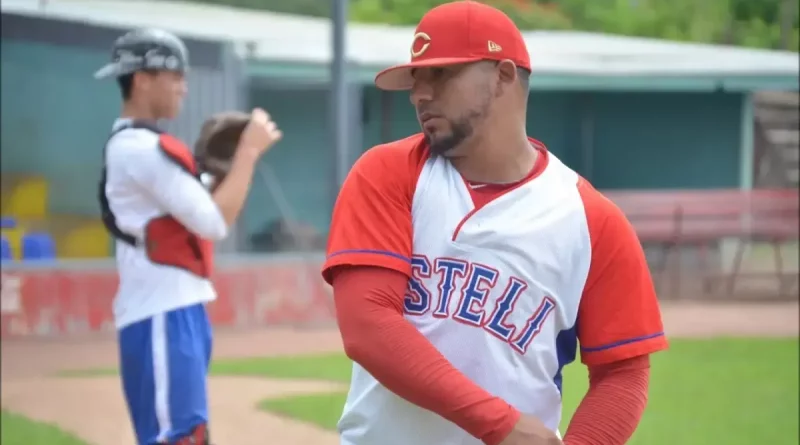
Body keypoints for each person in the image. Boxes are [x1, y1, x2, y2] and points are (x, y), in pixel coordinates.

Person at [322, 2, 668, 445]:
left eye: (440, 75)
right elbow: (367, 325)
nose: (419, 94)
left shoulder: (591, 219)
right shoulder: (390, 174)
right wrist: (500, 423)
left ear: (504, 74)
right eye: (416, 79)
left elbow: (624, 372)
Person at [95, 28, 282, 445]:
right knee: (180, 436)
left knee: (184, 433)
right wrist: (248, 153)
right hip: (161, 309)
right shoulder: (140, 148)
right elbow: (214, 222)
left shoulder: (144, 147)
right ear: (142, 79)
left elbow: (196, 205)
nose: (184, 85)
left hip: (175, 307)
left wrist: (217, 172)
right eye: (174, 75)